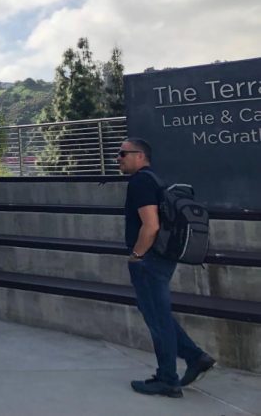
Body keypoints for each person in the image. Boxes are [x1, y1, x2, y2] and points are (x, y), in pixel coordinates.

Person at [119, 138, 216, 397]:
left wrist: (137, 255)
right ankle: (195, 357)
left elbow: (150, 226)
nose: (119, 158)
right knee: (157, 313)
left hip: (149, 259)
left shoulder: (140, 181)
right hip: (162, 258)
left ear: (140, 156)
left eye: (123, 153)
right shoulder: (155, 180)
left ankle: (167, 379)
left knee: (157, 319)